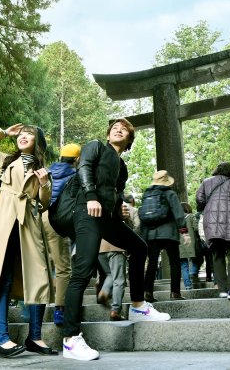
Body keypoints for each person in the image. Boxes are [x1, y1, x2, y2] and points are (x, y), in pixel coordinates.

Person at [63, 119, 170, 362]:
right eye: (114, 128)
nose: (117, 129)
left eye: (124, 129)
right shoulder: (96, 146)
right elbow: (84, 168)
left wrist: (119, 208)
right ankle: (70, 340)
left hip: (107, 217)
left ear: (129, 139)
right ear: (108, 134)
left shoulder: (121, 166)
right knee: (82, 271)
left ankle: (138, 305)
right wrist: (90, 196)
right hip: (86, 209)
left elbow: (116, 191)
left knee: (139, 247)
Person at [0, 123, 55, 359]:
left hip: (29, 222)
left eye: (29, 134)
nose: (23, 136)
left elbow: (44, 204)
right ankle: (2, 340)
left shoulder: (43, 169)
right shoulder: (3, 160)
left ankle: (35, 337)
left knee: (39, 276)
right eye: (21, 134)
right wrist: (4, 133)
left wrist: (44, 185)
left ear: (37, 141)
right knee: (3, 277)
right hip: (3, 218)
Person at [196, 162, 230, 300]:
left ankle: (222, 289)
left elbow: (199, 199)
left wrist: (205, 208)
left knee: (217, 255)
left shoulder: (206, 182)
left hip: (212, 222)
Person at [44, 143, 80, 326]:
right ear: (76, 159)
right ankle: (60, 309)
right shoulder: (74, 175)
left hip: (39, 216)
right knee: (63, 267)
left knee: (40, 264)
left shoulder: (48, 171)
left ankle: (30, 308)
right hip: (57, 220)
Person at [141, 170, 186, 301]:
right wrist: (184, 232)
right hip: (169, 233)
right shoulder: (170, 193)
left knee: (152, 264)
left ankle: (147, 292)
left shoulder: (147, 194)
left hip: (151, 234)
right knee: (175, 263)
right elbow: (178, 213)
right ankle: (175, 293)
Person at [178, 202, 201, 290]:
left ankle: (187, 285)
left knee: (184, 265)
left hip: (180, 245)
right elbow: (196, 228)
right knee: (195, 260)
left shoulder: (178, 219)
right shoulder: (191, 216)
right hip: (191, 243)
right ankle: (193, 272)